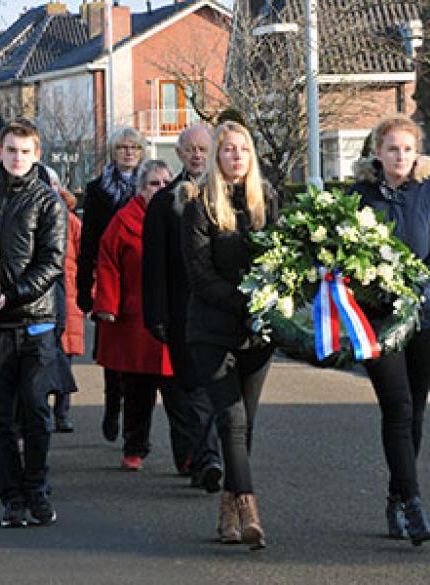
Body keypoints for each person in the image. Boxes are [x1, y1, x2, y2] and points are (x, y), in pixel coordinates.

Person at [349, 115, 430, 546]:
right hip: (378, 320)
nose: (400, 156)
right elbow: (347, 255)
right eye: (392, 149)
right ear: (377, 152)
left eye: (407, 149)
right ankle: (413, 503)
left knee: (416, 409)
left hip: (426, 318)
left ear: (417, 153)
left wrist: (419, 294)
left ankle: (395, 497)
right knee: (396, 406)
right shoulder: (359, 198)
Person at [0, 119, 67, 528]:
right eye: (11, 151)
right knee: (1, 417)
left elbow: (52, 262)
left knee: (38, 412)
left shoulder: (48, 202)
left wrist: (16, 293)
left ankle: (38, 488)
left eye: (25, 152)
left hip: (36, 320)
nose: (17, 158)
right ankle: (12, 497)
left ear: (36, 155)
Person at [181, 121, 278, 549]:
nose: (236, 156)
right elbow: (200, 275)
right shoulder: (197, 205)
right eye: (228, 150)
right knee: (232, 419)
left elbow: (281, 258)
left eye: (243, 149)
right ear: (216, 157)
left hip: (257, 334)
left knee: (245, 425)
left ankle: (227, 516)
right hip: (211, 330)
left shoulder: (268, 200)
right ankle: (250, 511)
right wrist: (246, 301)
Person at [93, 159, 194, 472]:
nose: (161, 189)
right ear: (140, 188)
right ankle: (135, 446)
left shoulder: (181, 216)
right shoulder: (123, 221)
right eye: (154, 183)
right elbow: (107, 263)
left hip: (172, 318)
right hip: (134, 322)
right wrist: (107, 305)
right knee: (137, 394)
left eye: (166, 183)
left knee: (180, 397)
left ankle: (188, 455)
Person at [141, 124, 222, 488]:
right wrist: (155, 313)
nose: (198, 155)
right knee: (190, 387)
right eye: (191, 149)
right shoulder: (164, 202)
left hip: (220, 307)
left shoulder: (226, 196)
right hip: (180, 309)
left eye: (204, 148)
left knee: (215, 387)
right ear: (179, 153)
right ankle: (201, 455)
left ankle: (209, 457)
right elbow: (154, 263)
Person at [77, 126, 147, 444]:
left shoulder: (153, 187)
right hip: (109, 275)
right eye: (122, 148)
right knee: (111, 347)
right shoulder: (97, 189)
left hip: (141, 277)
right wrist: (83, 283)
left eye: (134, 147)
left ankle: (131, 410)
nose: (128, 152)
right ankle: (111, 406)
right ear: (113, 152)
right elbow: (89, 238)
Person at [44, 166, 82, 434]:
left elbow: (84, 258)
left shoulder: (72, 222)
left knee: (65, 357)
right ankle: (41, 411)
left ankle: (63, 411)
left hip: (69, 295)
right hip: (44, 295)